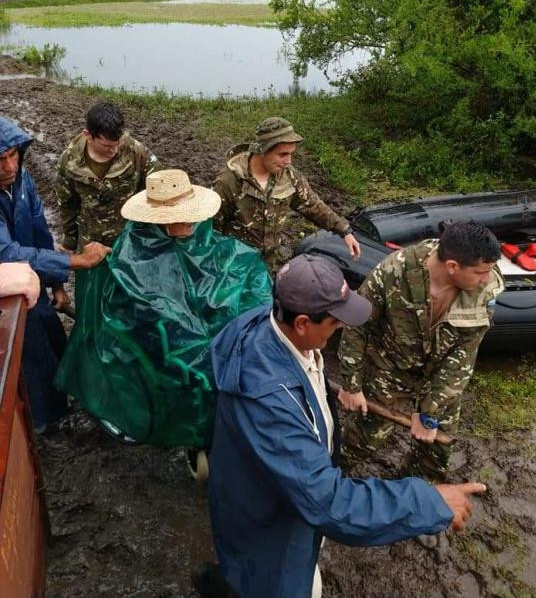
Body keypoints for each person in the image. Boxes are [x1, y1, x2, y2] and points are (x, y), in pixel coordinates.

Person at [204, 254, 485, 598]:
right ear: (304, 322)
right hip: (271, 520)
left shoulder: (264, 323)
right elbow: (326, 502)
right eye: (335, 322)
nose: (343, 328)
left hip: (262, 494)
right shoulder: (269, 401)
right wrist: (428, 501)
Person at [55, 169, 270, 464]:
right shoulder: (136, 251)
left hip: (201, 333)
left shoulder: (209, 240)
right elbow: (141, 308)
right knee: (202, 374)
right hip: (162, 341)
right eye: (179, 219)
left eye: (189, 217)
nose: (187, 225)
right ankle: (198, 432)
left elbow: (229, 273)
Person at [337, 220, 505, 481]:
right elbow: (358, 325)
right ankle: (330, 475)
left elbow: (461, 359)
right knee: (362, 440)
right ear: (452, 267)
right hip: (389, 371)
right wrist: (352, 384)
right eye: (481, 272)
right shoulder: (394, 272)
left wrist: (430, 413)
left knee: (435, 454)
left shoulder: (483, 292)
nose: (487, 279)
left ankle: (415, 498)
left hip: (440, 381)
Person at [0, 116, 110, 432]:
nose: (9, 166)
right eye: (0, 160)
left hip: (34, 279)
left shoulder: (23, 181)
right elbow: (10, 254)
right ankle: (45, 423)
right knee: (29, 355)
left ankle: (61, 400)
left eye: (13, 155)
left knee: (52, 333)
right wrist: (77, 261)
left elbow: (39, 234)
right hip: (7, 289)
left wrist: (57, 285)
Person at [212, 117, 360, 272]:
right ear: (262, 150)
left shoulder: (289, 176)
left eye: (291, 154)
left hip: (269, 265)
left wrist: (344, 231)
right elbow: (211, 228)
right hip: (235, 268)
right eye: (282, 154)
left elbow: (313, 205)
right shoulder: (229, 182)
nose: (288, 161)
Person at [55, 100, 158, 253]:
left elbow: (160, 183)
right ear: (88, 135)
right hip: (90, 243)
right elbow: (67, 204)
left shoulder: (135, 152)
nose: (114, 150)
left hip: (128, 238)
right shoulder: (69, 162)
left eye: (117, 144)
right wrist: (69, 241)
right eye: (107, 146)